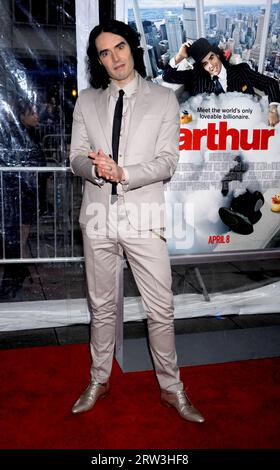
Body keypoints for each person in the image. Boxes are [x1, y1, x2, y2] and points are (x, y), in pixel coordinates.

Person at [69, 19, 204, 423]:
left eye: (119, 47)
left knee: (160, 308)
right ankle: (99, 378)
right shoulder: (87, 102)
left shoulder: (163, 99)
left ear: (133, 48)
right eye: (104, 53)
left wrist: (123, 174)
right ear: (99, 61)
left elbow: (168, 162)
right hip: (96, 217)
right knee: (102, 305)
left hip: (145, 217)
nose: (114, 58)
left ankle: (171, 387)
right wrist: (96, 171)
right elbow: (75, 158)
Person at [163, 37, 280, 127]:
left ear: (217, 54)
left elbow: (270, 83)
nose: (211, 65)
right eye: (205, 64)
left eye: (211, 58)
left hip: (247, 126)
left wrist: (273, 110)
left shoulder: (241, 70)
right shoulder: (197, 78)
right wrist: (179, 56)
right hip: (214, 133)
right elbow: (167, 76)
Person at [0, 99, 46, 299]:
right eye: (32, 112)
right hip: (19, 197)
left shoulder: (27, 135)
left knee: (19, 240)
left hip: (24, 197)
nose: (37, 116)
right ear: (21, 116)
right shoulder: (19, 137)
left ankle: (16, 276)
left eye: (36, 112)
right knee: (17, 241)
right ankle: (18, 274)